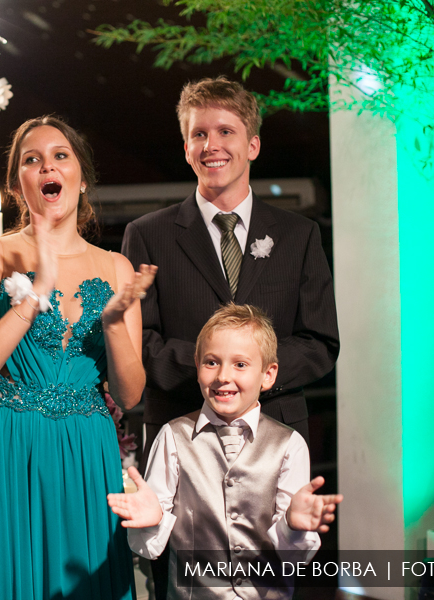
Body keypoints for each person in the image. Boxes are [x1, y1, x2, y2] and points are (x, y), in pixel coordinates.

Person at [0, 115, 155, 600]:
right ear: (18, 184)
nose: (47, 166)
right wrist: (35, 290)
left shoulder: (116, 267)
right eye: (31, 159)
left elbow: (130, 393)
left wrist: (112, 325)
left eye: (60, 155)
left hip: (83, 451)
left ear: (81, 178)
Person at [121, 76, 340, 454]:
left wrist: (250, 378)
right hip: (180, 430)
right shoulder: (146, 235)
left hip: (276, 433)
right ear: (186, 148)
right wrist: (214, 377)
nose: (212, 146)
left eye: (226, 131)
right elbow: (138, 342)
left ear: (252, 145)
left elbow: (319, 342)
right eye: (199, 134)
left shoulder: (299, 235)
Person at [107, 304, 343, 600]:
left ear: (268, 374)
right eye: (211, 362)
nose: (222, 376)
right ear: (197, 367)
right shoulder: (172, 436)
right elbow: (149, 547)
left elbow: (292, 560)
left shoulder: (290, 444)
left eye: (240, 364)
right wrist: (153, 520)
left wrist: (292, 526)